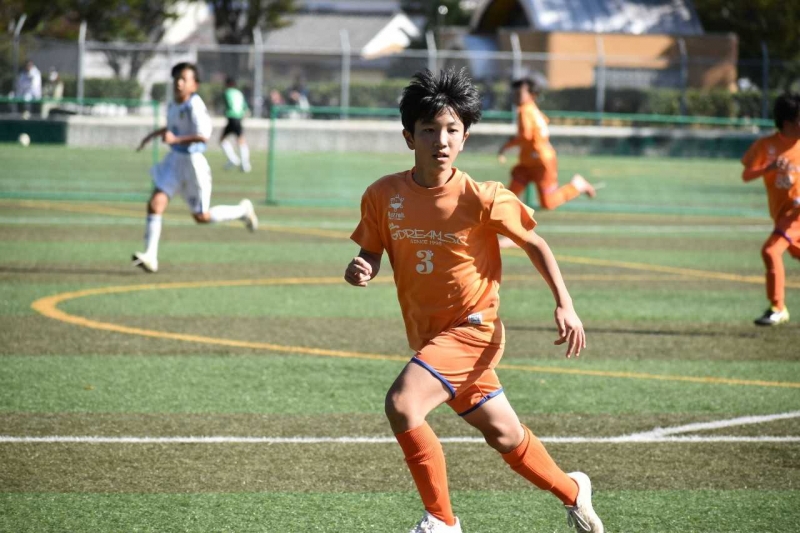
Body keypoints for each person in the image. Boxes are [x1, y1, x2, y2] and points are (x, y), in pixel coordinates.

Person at [343, 68, 603, 533]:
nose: (440, 140)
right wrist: (363, 265)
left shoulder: (483, 198)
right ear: (409, 137)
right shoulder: (383, 195)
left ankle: (442, 522)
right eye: (429, 130)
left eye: (452, 130)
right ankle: (573, 491)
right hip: (431, 336)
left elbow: (535, 243)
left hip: (474, 330)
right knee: (505, 435)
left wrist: (565, 303)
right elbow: (372, 250)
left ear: (464, 138)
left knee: (403, 404)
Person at [132, 62, 258, 273]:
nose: (179, 83)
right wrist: (152, 136)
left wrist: (176, 139)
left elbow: (203, 136)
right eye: (176, 79)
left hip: (193, 164)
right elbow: (172, 128)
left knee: (201, 217)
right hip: (174, 161)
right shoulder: (173, 105)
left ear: (194, 85)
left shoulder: (195, 106)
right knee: (155, 204)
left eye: (184, 79)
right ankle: (150, 256)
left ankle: (242, 211)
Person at [497, 77, 596, 246]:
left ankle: (577, 185)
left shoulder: (525, 110)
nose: (516, 95)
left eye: (520, 93)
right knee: (508, 197)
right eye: (515, 92)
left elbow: (526, 135)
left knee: (547, 203)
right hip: (528, 163)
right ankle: (513, 234)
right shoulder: (531, 110)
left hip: (542, 163)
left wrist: (506, 146)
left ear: (532, 95)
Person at [741, 92, 800, 326]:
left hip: (796, 215)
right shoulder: (766, 146)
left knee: (771, 251)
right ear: (788, 122)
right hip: (781, 215)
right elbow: (746, 175)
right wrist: (769, 167)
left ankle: (778, 307)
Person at [220, 76, 252, 173]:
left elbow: (229, 105)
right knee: (241, 140)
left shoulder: (227, 92)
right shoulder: (239, 93)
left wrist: (227, 112)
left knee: (222, 140)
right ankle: (245, 164)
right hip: (239, 118)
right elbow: (245, 107)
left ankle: (233, 159)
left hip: (232, 117)